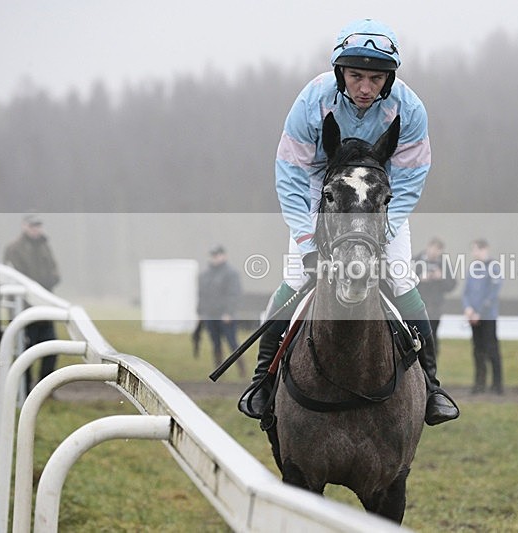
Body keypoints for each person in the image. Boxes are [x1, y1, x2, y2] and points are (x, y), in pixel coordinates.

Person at [238, 18, 459, 426]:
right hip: (319, 199)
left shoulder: (409, 109)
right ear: (340, 72)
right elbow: (290, 173)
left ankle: (431, 386)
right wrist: (307, 242)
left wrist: (379, 230)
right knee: (294, 281)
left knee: (401, 278)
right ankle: (262, 381)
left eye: (375, 79)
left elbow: (410, 179)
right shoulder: (313, 99)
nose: (364, 88)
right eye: (356, 76)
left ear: (388, 79)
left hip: (377, 204)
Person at [3, 214, 61, 386]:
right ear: (24, 226)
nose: (36, 229)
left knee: (52, 349)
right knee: (25, 353)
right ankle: (25, 390)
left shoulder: (45, 245)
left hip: (44, 309)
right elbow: (16, 278)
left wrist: (44, 284)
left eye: (38, 225)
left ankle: (45, 387)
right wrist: (41, 283)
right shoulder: (14, 248)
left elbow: (55, 273)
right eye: (32, 225)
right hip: (24, 310)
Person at [462, 239, 503, 394]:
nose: (474, 253)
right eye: (473, 250)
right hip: (474, 317)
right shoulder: (472, 268)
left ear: (485, 249)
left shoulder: (493, 268)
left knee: (492, 349)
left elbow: (492, 294)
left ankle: (497, 385)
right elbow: (466, 292)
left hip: (487, 317)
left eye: (477, 249)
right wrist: (468, 309)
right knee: (477, 350)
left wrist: (479, 312)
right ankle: (479, 384)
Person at [197, 245, 245, 377]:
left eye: (217, 255)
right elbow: (202, 295)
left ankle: (242, 371)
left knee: (232, 344)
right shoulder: (205, 275)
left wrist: (229, 312)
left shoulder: (231, 273)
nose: (215, 258)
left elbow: (234, 294)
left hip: (226, 316)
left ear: (224, 255)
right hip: (210, 315)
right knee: (216, 344)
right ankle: (218, 371)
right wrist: (200, 312)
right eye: (213, 255)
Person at [413, 237, 456, 349]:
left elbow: (451, 285)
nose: (434, 252)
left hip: (435, 307)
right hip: (417, 305)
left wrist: (441, 277)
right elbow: (405, 283)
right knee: (416, 336)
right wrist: (420, 279)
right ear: (428, 247)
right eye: (433, 248)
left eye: (438, 250)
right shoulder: (416, 261)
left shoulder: (444, 263)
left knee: (432, 337)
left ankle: (432, 363)